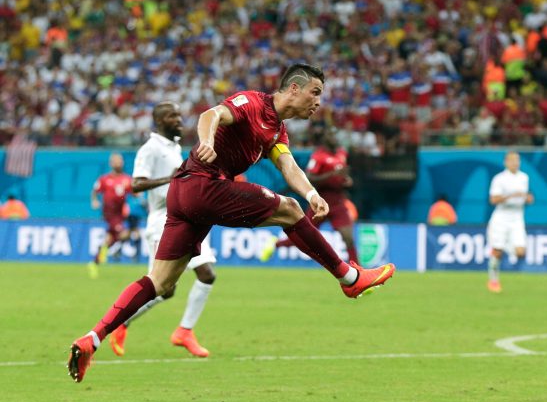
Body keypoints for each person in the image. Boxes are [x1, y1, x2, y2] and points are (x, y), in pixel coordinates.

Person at [67, 63, 396, 383]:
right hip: (203, 185)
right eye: (315, 92)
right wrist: (207, 141)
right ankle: (350, 277)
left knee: (161, 282)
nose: (318, 102)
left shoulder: (277, 131)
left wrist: (312, 194)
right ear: (294, 88)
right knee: (290, 211)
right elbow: (210, 115)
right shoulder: (253, 103)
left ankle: (92, 338)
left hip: (183, 195)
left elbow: (288, 166)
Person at [109, 102, 216, 359]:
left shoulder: (175, 148)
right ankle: (120, 323)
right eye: (171, 115)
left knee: (204, 275)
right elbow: (136, 184)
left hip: (186, 219)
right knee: (162, 288)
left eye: (179, 114)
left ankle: (184, 331)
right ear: (158, 121)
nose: (178, 118)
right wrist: (172, 179)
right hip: (162, 223)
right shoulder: (151, 149)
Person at [262, 127, 359, 263]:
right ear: (326, 139)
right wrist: (331, 175)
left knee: (348, 238)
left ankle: (359, 271)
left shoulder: (341, 154)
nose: (335, 139)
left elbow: (341, 174)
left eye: (337, 136)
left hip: (338, 202)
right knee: (305, 236)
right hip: (320, 201)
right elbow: (310, 177)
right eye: (332, 136)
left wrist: (346, 180)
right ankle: (276, 244)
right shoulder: (318, 156)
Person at [486, 151, 533, 293]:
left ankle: (505, 246)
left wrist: (528, 199)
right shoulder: (499, 179)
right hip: (501, 217)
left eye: (517, 160)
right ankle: (493, 280)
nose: (515, 163)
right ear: (506, 162)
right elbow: (493, 200)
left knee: (520, 252)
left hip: (517, 217)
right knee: (497, 251)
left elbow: (525, 198)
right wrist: (511, 196)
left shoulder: (524, 177)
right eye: (512, 161)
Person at [89, 153, 133, 277]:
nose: (118, 163)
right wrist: (95, 200)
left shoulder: (127, 179)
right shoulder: (104, 179)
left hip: (120, 213)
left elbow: (135, 195)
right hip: (109, 213)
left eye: (120, 160)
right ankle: (114, 251)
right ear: (111, 163)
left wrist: (131, 205)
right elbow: (94, 191)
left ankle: (95, 261)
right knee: (124, 234)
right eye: (115, 161)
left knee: (110, 238)